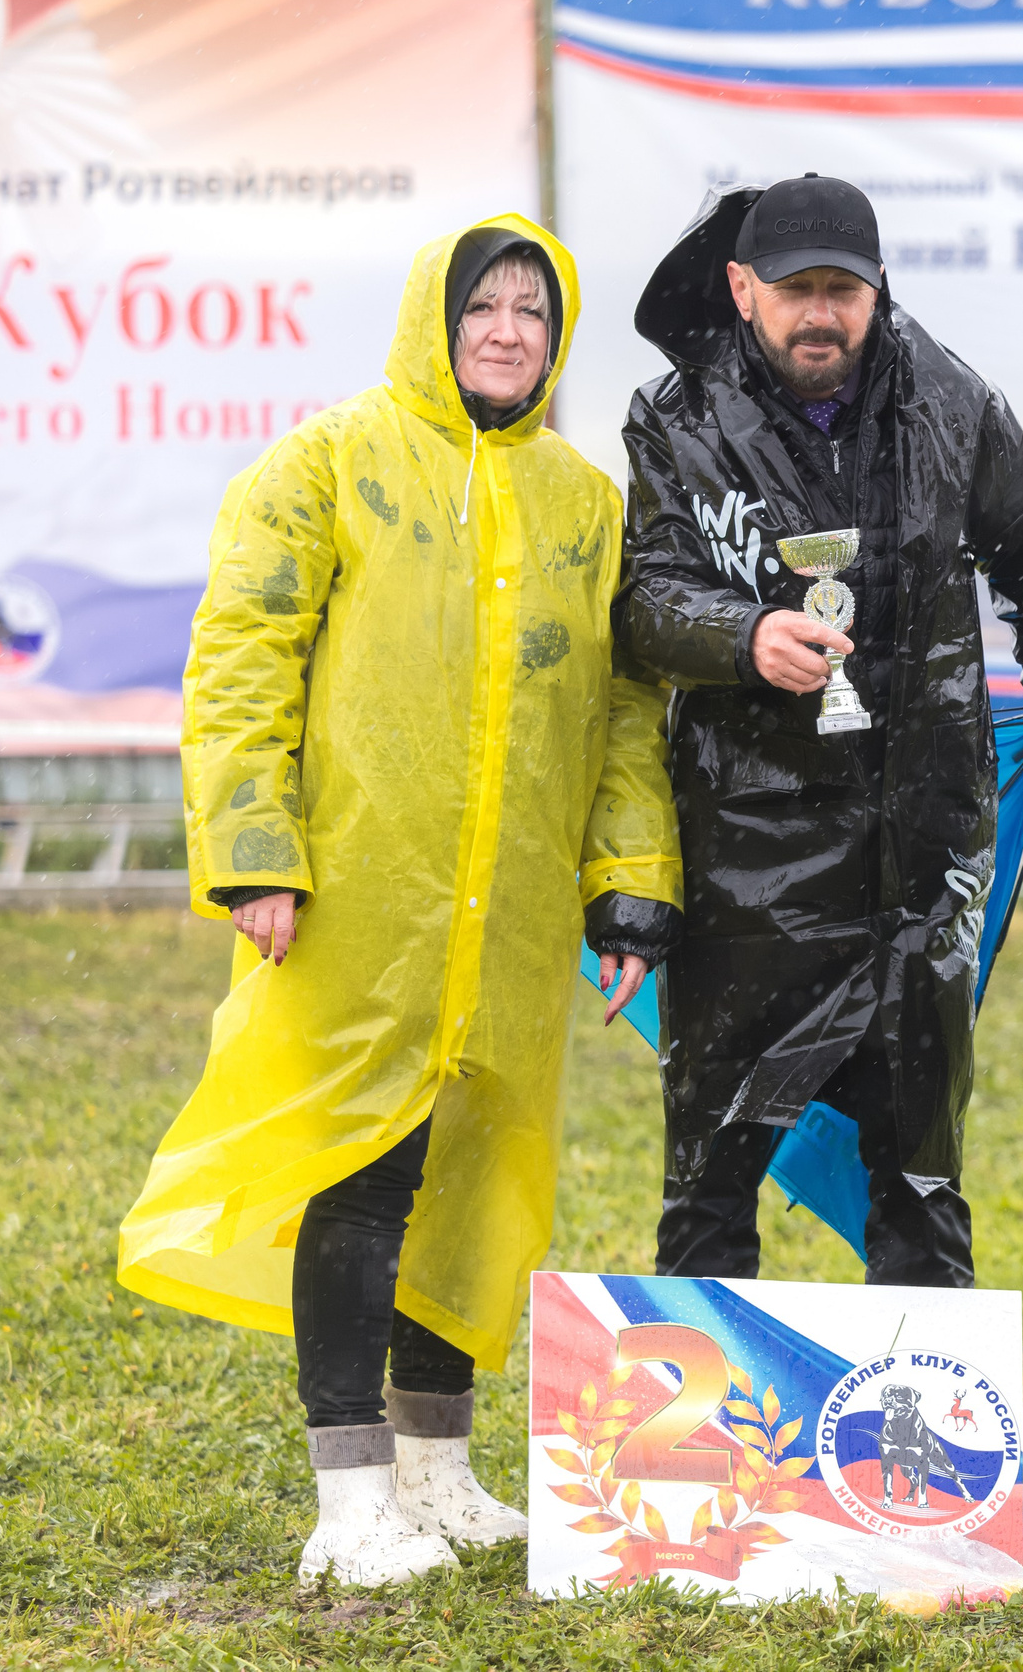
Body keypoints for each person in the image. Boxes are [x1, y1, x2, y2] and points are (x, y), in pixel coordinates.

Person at [117, 216, 683, 1589]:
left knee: (483, 1177)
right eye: (482, 306)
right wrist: (256, 853)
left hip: (520, 918)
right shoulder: (323, 465)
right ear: (434, 316)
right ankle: (352, 1491)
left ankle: (439, 1464)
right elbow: (243, 657)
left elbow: (620, 718)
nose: (506, 332)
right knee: (362, 1173)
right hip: (360, 902)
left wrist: (628, 887)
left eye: (532, 315)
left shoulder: (583, 502)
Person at [617, 174, 1023, 1287]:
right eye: (794, 290)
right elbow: (644, 595)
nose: (820, 313)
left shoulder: (954, 404)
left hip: (921, 851)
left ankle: (920, 1443)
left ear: (876, 290)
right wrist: (741, 635)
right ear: (741, 288)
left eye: (842, 290)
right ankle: (700, 1437)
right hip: (745, 858)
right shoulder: (675, 418)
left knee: (921, 1172)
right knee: (710, 1171)